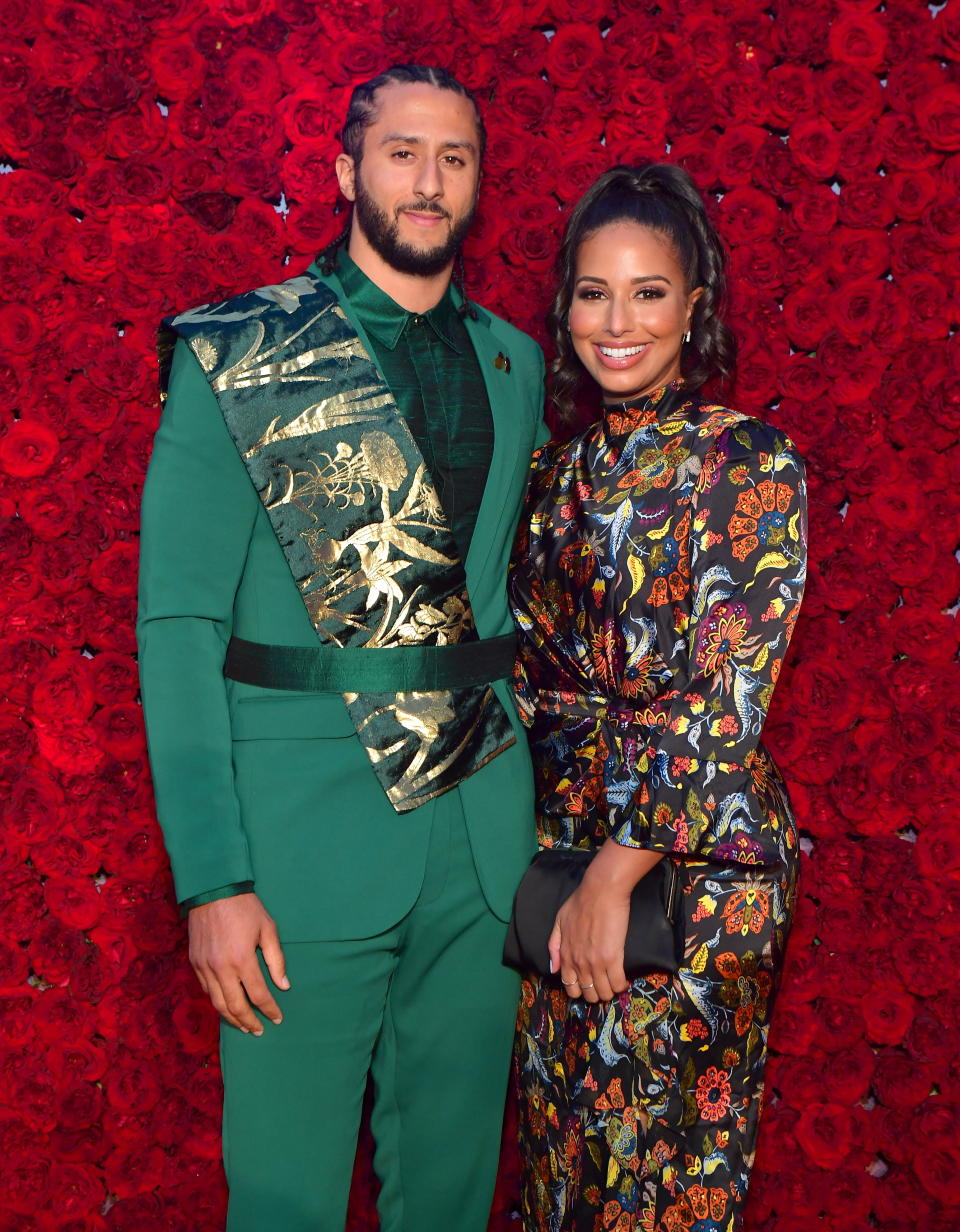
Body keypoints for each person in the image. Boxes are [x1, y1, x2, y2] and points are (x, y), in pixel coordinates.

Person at [137, 64, 547, 1232]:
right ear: (346, 173)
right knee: (284, 1198)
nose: (429, 181)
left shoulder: (517, 365)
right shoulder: (245, 350)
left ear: (476, 187)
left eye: (454, 159)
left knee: (455, 1191)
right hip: (299, 840)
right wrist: (214, 878)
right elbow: (176, 624)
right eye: (403, 152)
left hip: (481, 831)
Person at [508, 164, 807, 1231]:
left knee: (667, 1181)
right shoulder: (553, 476)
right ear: (566, 307)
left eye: (647, 291)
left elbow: (724, 694)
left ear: (694, 305)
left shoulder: (747, 460)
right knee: (565, 1170)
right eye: (594, 291)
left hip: (694, 873)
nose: (617, 320)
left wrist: (611, 876)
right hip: (558, 866)